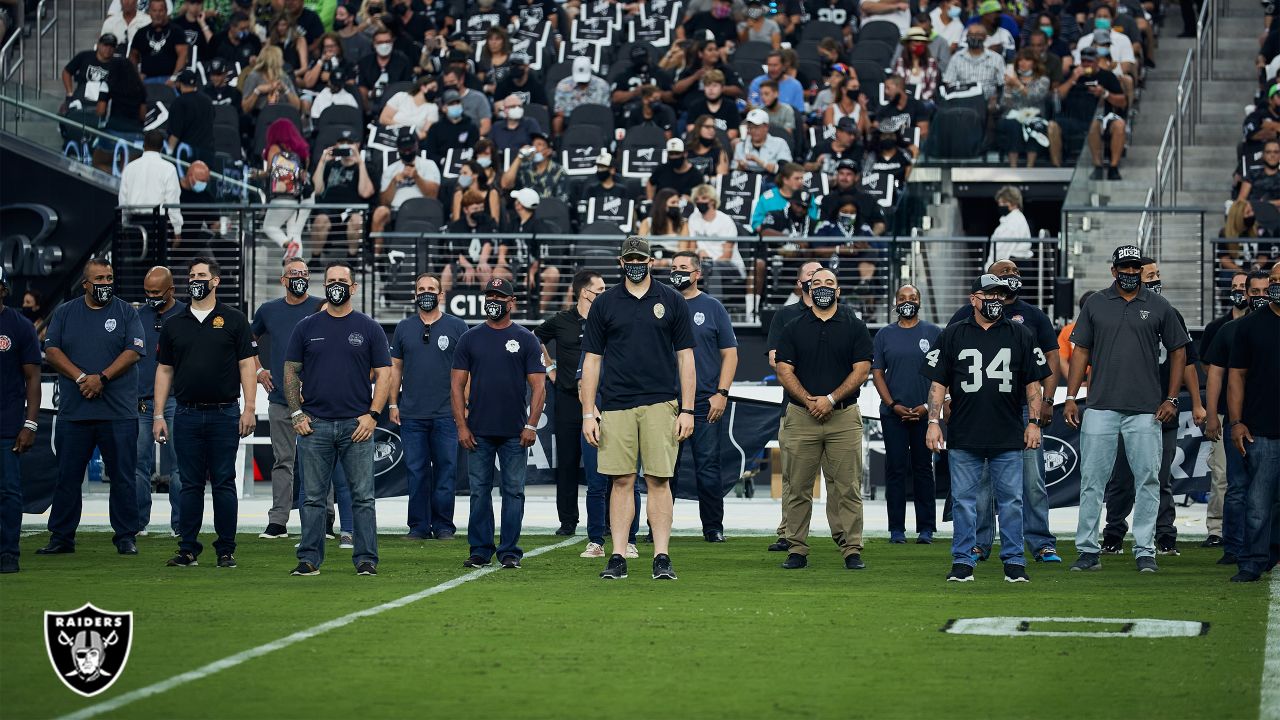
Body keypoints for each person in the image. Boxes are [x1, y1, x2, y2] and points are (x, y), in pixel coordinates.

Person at [1064, 245, 1191, 573]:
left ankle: (1145, 549)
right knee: (1092, 479)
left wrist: (1172, 398)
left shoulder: (1160, 305)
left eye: (1136, 268)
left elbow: (1179, 352)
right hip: (1101, 405)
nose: (1131, 273)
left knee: (1148, 479)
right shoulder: (1095, 303)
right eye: (1125, 267)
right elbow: (1080, 353)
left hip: (1145, 409)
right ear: (1114, 270)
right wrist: (1070, 397)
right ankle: (1088, 550)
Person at [580, 236, 696, 581]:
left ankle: (662, 556)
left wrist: (687, 409)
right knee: (621, 481)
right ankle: (618, 556)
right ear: (621, 263)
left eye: (640, 259)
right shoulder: (605, 304)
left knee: (659, 480)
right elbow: (592, 361)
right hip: (616, 404)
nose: (635, 264)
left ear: (651, 262)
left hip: (662, 402)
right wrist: (589, 410)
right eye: (629, 259)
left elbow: (686, 357)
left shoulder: (672, 300)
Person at [924, 274, 1050, 583]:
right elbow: (938, 382)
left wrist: (1033, 423)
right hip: (965, 432)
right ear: (973, 299)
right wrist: (933, 422)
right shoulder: (953, 334)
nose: (995, 299)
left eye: (1000, 293)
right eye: (988, 293)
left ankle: (1014, 560)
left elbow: (1033, 383)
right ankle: (964, 560)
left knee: (1012, 501)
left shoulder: (1020, 333)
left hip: (1007, 432)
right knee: (966, 503)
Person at [948, 258, 1062, 564]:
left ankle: (1040, 542)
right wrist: (947, 400)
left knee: (1032, 480)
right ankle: (980, 543)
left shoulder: (1033, 317)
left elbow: (1051, 358)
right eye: (1004, 273)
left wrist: (1045, 402)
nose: (1011, 276)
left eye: (1014, 272)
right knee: (981, 484)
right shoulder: (963, 317)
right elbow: (948, 362)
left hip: (1021, 411)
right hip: (976, 412)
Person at [285, 261, 391, 577]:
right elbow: (291, 370)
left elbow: (385, 374)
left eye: (341, 281)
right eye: (330, 280)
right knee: (313, 498)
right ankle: (309, 559)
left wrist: (373, 415)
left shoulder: (370, 327)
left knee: (362, 497)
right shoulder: (306, 326)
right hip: (314, 425)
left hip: (357, 426)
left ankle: (366, 559)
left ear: (353, 287)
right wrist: (296, 413)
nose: (335, 285)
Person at [154, 258, 256, 568]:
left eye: (201, 275)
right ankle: (187, 549)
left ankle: (226, 549)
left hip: (225, 413)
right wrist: (159, 414)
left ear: (215, 281)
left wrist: (249, 408)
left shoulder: (235, 319)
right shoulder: (173, 323)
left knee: (224, 482)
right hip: (185, 414)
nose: (195, 280)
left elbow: (247, 365)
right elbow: (164, 370)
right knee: (188, 483)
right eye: (192, 275)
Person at [38, 258, 143, 556]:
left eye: (109, 278)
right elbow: (52, 349)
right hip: (76, 412)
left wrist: (103, 378)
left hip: (118, 411)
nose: (105, 284)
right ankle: (61, 536)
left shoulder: (125, 312)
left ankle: (125, 536)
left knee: (122, 476)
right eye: (99, 279)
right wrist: (83, 377)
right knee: (68, 476)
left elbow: (134, 351)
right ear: (85, 284)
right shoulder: (65, 312)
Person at [1100, 260, 1203, 557]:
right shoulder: (1117, 312)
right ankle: (1114, 534)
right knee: (1122, 477)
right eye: (1150, 275)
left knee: (1158, 476)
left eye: (1157, 274)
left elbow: (1187, 363)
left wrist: (1195, 403)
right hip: (1126, 407)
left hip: (1162, 409)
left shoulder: (1170, 313)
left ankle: (1164, 534)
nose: (1156, 279)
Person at [774, 268, 873, 570]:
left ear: (839, 290)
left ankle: (851, 548)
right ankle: (796, 548)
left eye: (829, 283)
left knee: (847, 486)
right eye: (817, 283)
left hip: (843, 417)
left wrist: (830, 399)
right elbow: (783, 369)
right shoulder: (792, 327)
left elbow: (862, 368)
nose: (823, 287)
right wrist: (809, 400)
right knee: (797, 485)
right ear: (807, 288)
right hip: (801, 416)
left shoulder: (855, 326)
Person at [452, 278, 547, 570]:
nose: (493, 300)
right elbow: (456, 385)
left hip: (515, 432)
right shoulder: (470, 338)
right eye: (489, 295)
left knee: (513, 491)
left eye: (499, 296)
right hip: (478, 431)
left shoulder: (527, 339)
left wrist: (531, 426)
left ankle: (510, 551)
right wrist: (461, 426)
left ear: (511, 301)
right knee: (479, 491)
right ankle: (480, 550)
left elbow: (539, 386)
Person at [389, 273, 467, 541]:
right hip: (412, 414)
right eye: (421, 289)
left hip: (447, 413)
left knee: (446, 470)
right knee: (416, 471)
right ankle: (418, 526)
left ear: (441, 294)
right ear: (414, 295)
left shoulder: (458, 327)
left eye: (431, 289)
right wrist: (392, 403)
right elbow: (395, 368)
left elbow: (466, 370)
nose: (426, 293)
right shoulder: (403, 328)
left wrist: (464, 407)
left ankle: (444, 525)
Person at [251, 259, 324, 539]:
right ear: (283, 280)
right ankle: (278, 520)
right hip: (281, 399)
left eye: (304, 274)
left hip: (316, 401)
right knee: (283, 460)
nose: (299, 278)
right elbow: (248, 339)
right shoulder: (268, 310)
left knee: (320, 462)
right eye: (294, 274)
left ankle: (325, 520)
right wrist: (258, 370)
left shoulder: (320, 306)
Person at [670, 252, 737, 542]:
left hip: (705, 401)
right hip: (667, 401)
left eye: (683, 268)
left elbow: (730, 354)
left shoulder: (712, 307)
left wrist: (721, 393)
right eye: (673, 268)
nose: (677, 273)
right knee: (663, 469)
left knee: (708, 467)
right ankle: (658, 526)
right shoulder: (661, 304)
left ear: (697, 274)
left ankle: (713, 527)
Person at [871, 284, 940, 544]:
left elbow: (941, 373)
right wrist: (891, 404)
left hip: (925, 413)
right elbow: (877, 373)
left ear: (920, 302)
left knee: (923, 469)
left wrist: (927, 406)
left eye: (912, 298)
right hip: (894, 415)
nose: (907, 302)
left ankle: (926, 528)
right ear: (895, 303)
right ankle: (896, 529)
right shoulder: (884, 335)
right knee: (896, 469)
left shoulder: (934, 333)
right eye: (902, 298)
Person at [535, 270, 601, 536]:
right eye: (600, 289)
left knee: (603, 464)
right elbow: (533, 338)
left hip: (598, 401)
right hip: (566, 400)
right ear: (585, 292)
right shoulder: (561, 320)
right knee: (567, 463)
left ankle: (605, 520)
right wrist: (549, 367)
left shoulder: (605, 319)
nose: (603, 294)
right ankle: (568, 521)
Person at [1226, 263, 1280, 582]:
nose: (1275, 286)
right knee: (1258, 501)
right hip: (1262, 429)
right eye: (1273, 281)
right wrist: (1236, 422)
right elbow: (1237, 377)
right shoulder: (1249, 327)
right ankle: (1252, 561)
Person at [1199, 271, 1251, 548]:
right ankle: (1217, 529)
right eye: (1236, 287)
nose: (1240, 292)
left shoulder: (1264, 325)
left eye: (1244, 287)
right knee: (1221, 474)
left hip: (1255, 410)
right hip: (1223, 411)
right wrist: (1210, 413)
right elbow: (1210, 368)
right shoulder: (1218, 327)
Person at [135, 266, 185, 537]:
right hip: (142, 399)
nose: (151, 297)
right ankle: (137, 523)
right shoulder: (136, 317)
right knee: (136, 466)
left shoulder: (186, 315)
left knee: (181, 466)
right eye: (147, 292)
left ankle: (180, 525)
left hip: (178, 400)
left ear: (171, 290)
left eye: (156, 292)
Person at [0, 266, 41, 574]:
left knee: (9, 491)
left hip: (7, 424)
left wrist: (29, 424)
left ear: (3, 289)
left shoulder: (19, 326)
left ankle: (8, 553)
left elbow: (33, 379)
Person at [310, 129, 374, 264]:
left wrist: (360, 163)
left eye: (349, 143)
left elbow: (365, 192)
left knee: (357, 220)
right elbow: (316, 190)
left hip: (352, 210)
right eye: (342, 142)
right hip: (330, 209)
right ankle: (315, 259)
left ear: (357, 145)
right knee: (320, 219)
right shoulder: (330, 165)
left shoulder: (365, 166)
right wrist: (322, 162)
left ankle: (352, 258)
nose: (345, 146)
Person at [370, 133, 442, 244]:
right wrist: (393, 182)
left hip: (423, 209)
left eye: (410, 148)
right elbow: (384, 202)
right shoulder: (391, 169)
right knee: (380, 212)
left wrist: (417, 177)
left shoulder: (429, 165)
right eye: (404, 150)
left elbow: (432, 196)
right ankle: (377, 257)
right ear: (398, 150)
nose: (407, 152)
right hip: (396, 210)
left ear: (416, 146)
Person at [118, 130, 183, 241]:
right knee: (158, 258)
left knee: (136, 257)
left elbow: (123, 200)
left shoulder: (130, 168)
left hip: (135, 223)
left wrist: (123, 224)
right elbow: (172, 202)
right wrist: (177, 230)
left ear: (144, 145)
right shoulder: (169, 169)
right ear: (162, 147)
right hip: (159, 223)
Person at [129, 0, 189, 84]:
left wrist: (174, 78)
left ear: (166, 11)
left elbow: (183, 55)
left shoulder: (176, 31)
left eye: (161, 11)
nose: (157, 14)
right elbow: (133, 56)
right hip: (147, 80)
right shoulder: (141, 33)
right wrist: (136, 76)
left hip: (169, 80)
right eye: (154, 11)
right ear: (149, 12)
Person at [166, 69, 215, 163]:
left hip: (186, 155)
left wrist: (169, 154)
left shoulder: (179, 102)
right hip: (207, 155)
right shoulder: (208, 100)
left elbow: (175, 133)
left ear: (180, 83)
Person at [553, 55, 610, 134]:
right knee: (557, 121)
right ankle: (558, 143)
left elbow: (605, 111)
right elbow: (559, 111)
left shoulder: (602, 85)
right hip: (571, 121)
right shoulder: (563, 85)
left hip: (596, 120)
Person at [732, 108, 792, 175]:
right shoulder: (740, 145)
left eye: (756, 127)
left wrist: (758, 161)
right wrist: (740, 167)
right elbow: (734, 173)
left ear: (766, 127)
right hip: (749, 180)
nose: (753, 131)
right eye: (750, 127)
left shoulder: (780, 143)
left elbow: (785, 169)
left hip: (773, 181)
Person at [988, 186, 1033, 263]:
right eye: (1000, 203)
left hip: (1008, 267)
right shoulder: (1016, 219)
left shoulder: (1013, 222)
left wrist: (989, 269)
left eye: (1004, 203)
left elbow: (1002, 251)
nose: (1001, 205)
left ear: (1014, 203)